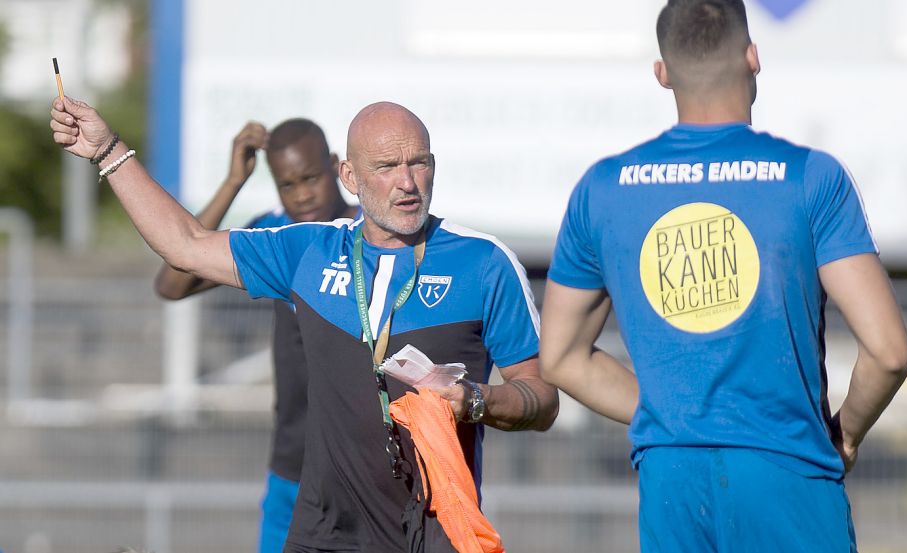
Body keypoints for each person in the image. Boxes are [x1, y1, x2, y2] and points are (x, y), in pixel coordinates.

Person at [50, 98, 559, 553]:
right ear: (350, 177)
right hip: (323, 533)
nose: (407, 183)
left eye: (418, 163)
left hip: (438, 532)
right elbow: (185, 245)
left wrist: (478, 400)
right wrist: (108, 151)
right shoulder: (309, 249)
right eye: (386, 167)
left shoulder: (486, 263)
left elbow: (542, 399)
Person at [539, 1, 907, 551]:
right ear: (753, 58)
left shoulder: (601, 189)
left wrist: (675, 412)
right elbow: (889, 353)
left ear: (662, 74)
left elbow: (561, 359)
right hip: (788, 470)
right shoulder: (811, 178)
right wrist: (846, 435)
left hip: (671, 479)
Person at [153, 118, 358, 553]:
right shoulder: (274, 233)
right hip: (290, 466)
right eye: (287, 184)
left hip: (357, 471)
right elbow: (173, 284)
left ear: (338, 167)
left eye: (311, 178)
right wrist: (232, 183)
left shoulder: (369, 236)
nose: (301, 194)